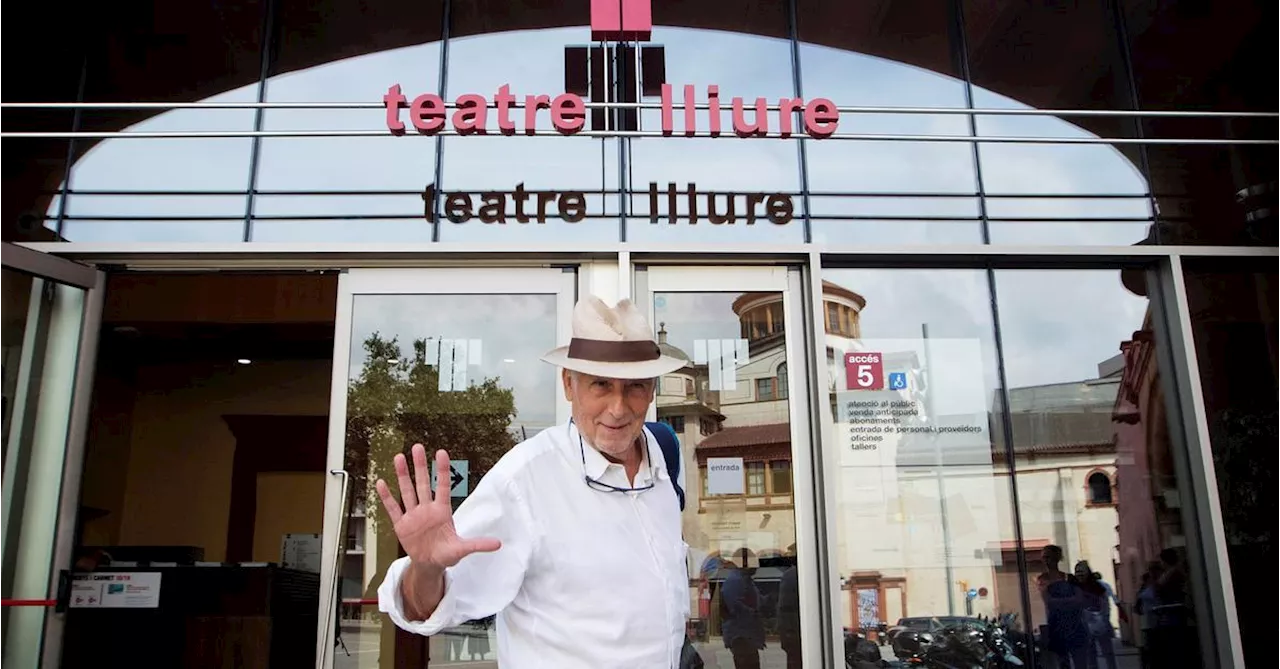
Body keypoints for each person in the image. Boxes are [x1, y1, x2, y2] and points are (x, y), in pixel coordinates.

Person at [374, 296, 693, 668]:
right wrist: (427, 568)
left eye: (635, 386)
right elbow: (423, 607)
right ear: (568, 385)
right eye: (601, 385)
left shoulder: (663, 455)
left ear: (652, 390)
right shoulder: (524, 479)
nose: (618, 408)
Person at [1036, 545, 1089, 669]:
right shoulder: (1042, 579)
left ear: (1057, 558)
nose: (1046, 561)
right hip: (1057, 626)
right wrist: (1070, 601)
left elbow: (1080, 600)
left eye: (1048, 557)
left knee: (1081, 662)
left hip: (1076, 625)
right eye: (1044, 558)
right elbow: (1048, 601)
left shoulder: (1069, 578)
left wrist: (1059, 602)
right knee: (1062, 663)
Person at [1074, 561, 1118, 669]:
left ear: (1088, 572)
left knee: (1107, 652)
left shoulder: (1098, 586)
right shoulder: (1075, 587)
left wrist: (1104, 619)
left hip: (1099, 622)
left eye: (1081, 571)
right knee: (1090, 655)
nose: (1079, 574)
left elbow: (1105, 605)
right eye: (1077, 572)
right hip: (1084, 624)